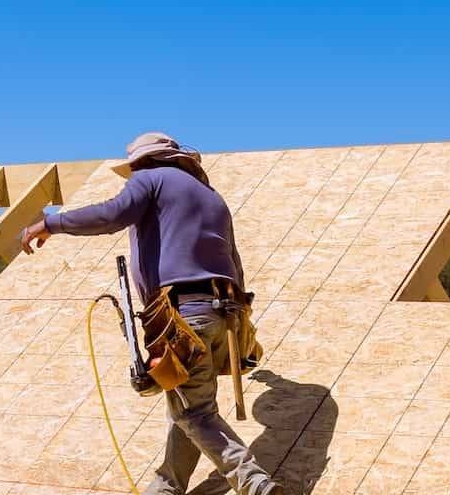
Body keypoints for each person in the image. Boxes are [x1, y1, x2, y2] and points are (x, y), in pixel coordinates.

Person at [20, 132, 276, 495]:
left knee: (194, 412)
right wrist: (241, 321)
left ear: (143, 162)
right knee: (185, 404)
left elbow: (112, 214)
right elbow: (235, 262)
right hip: (224, 313)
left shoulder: (149, 178)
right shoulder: (213, 198)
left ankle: (255, 484)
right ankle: (167, 486)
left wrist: (51, 223)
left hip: (183, 314)